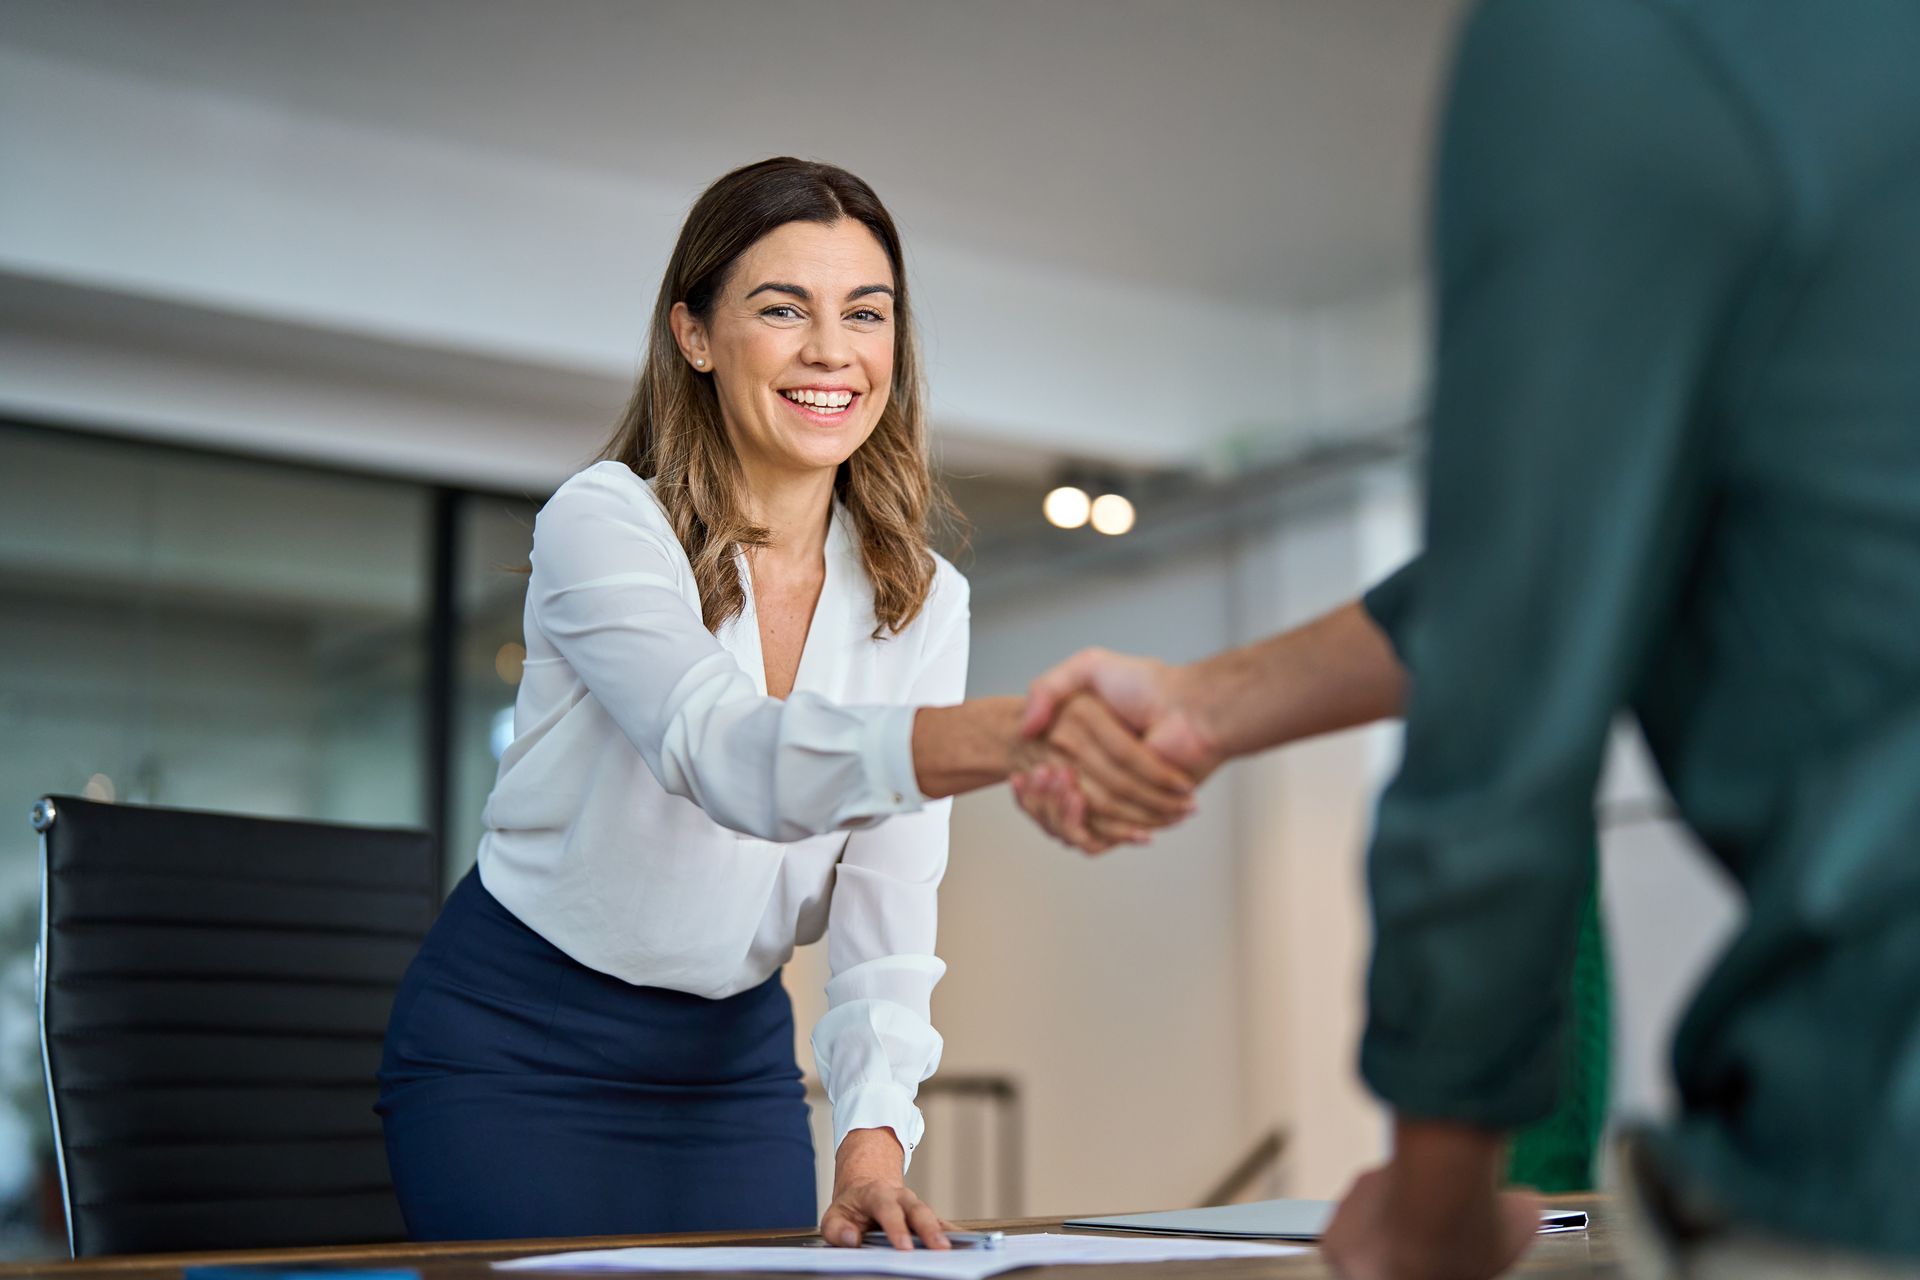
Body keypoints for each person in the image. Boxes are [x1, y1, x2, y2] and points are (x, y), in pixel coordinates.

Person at [1020, 0, 1920, 1276]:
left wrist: (1433, 1209)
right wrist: (1207, 699)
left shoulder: (1624, 38)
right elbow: (1614, 524)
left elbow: (1506, 705)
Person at [377, 158, 1194, 1250]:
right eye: (782, 308)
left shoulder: (921, 598)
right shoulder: (606, 521)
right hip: (518, 1043)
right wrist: (1013, 731)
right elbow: (722, 752)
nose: (831, 350)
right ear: (695, 334)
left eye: (867, 312)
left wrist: (871, 1142)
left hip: (731, 1063)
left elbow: (887, 915)